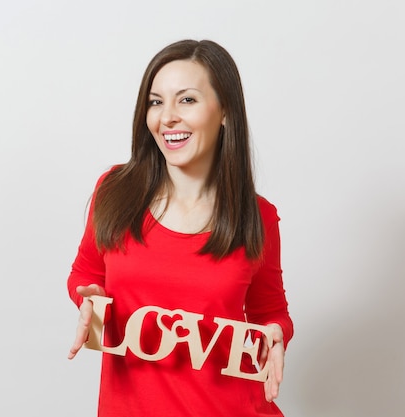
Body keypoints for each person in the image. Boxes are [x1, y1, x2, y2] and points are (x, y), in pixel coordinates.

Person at [67, 39, 293, 417]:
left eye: (186, 100)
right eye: (156, 102)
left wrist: (276, 333)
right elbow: (86, 273)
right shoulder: (115, 191)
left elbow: (270, 310)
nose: (167, 117)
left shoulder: (257, 216)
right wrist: (86, 296)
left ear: (224, 112)